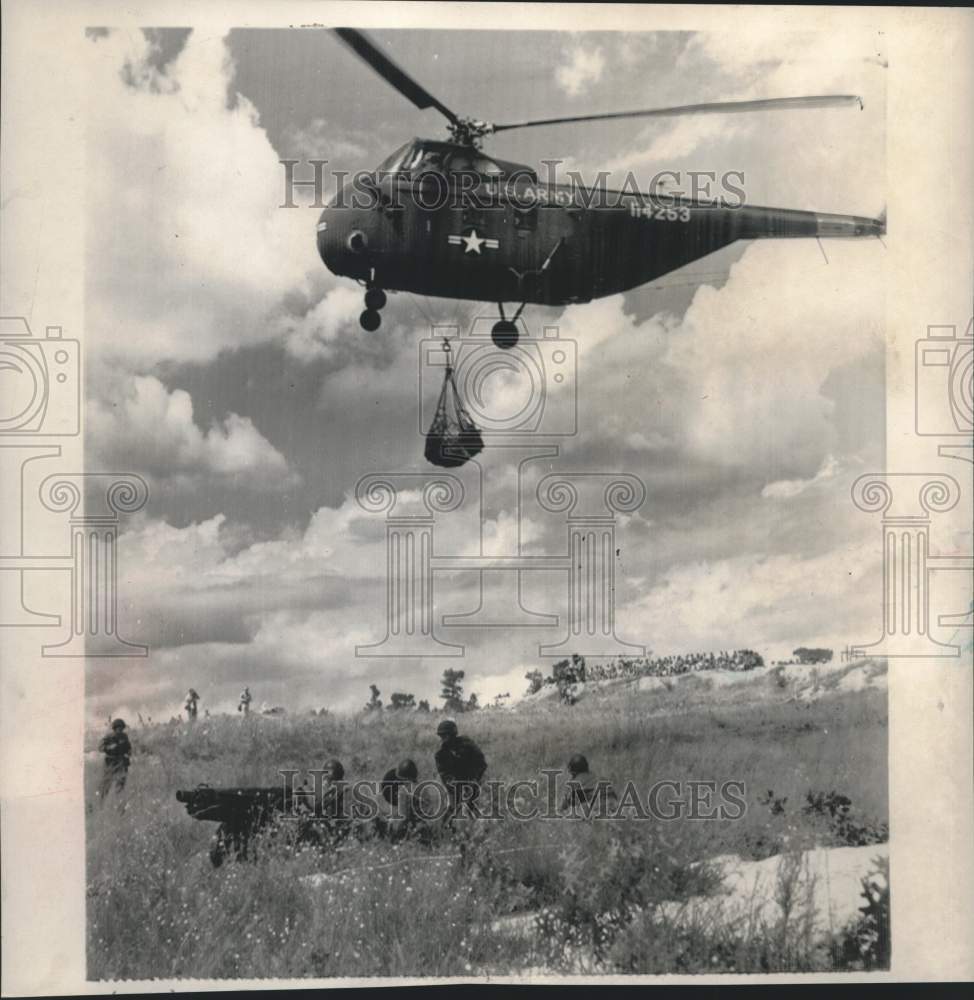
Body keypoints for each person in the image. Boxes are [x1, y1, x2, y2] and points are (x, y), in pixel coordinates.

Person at [434, 719, 486, 820]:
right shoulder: (441, 755)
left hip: (473, 781)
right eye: (442, 736)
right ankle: (444, 830)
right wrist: (457, 787)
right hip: (454, 786)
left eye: (446, 736)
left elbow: (481, 763)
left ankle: (482, 828)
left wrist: (474, 781)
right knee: (452, 810)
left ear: (453, 734)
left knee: (475, 808)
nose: (443, 739)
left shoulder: (468, 745)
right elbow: (445, 775)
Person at [98, 719, 131, 801]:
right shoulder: (109, 736)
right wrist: (109, 747)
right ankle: (101, 801)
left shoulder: (124, 736)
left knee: (120, 783)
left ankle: (118, 802)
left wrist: (128, 752)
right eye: (118, 728)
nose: (120, 730)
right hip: (111, 763)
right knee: (106, 784)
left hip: (121, 763)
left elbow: (128, 747)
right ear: (115, 728)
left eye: (122, 728)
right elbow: (100, 747)